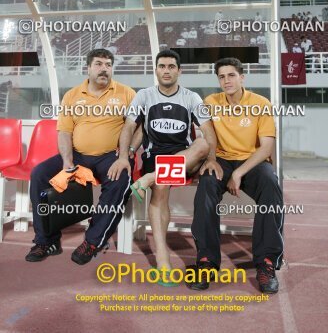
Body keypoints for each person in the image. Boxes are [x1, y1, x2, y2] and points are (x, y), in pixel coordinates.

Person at [25, 49, 140, 265]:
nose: (104, 68)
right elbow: (65, 132)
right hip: (77, 155)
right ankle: (46, 241)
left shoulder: (127, 93)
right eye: (98, 64)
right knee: (39, 174)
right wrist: (67, 163)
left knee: (121, 180)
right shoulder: (72, 95)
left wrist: (129, 152)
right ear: (88, 68)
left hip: (110, 156)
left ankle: (93, 241)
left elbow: (139, 126)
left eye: (108, 64)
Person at [110, 50, 217, 276]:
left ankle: (152, 176)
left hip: (185, 157)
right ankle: (162, 257)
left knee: (202, 145)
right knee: (160, 187)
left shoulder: (191, 97)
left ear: (179, 70)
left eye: (171, 67)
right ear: (156, 69)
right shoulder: (144, 95)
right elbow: (129, 126)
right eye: (162, 66)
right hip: (155, 156)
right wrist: (124, 156)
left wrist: (212, 159)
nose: (166, 71)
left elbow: (208, 132)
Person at [186, 58, 283, 294]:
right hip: (221, 160)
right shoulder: (210, 102)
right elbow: (204, 135)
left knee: (271, 184)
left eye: (231, 75)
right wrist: (209, 159)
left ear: (242, 77)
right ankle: (207, 262)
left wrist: (238, 173)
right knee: (206, 186)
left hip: (251, 162)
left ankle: (266, 263)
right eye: (221, 76)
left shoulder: (261, 103)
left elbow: (266, 148)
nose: (226, 80)